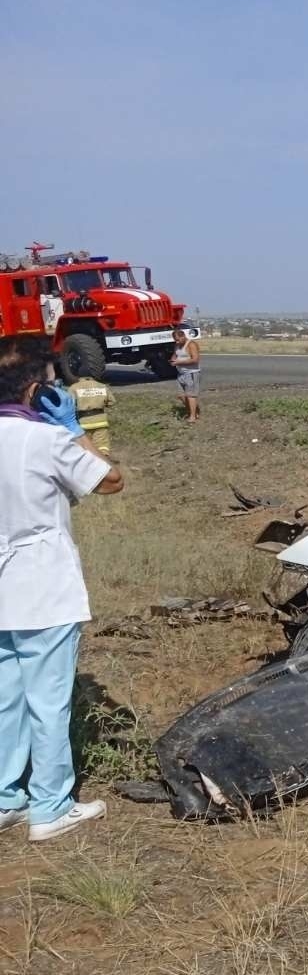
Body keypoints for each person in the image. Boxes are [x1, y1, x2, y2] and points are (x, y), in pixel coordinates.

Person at [0, 337, 124, 842]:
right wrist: (75, 431)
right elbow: (110, 481)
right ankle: (50, 807)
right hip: (43, 588)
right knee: (48, 702)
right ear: (35, 389)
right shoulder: (46, 441)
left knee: (4, 700)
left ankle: (6, 797)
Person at [68, 374, 114, 457]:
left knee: (86, 448)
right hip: (101, 422)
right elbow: (111, 402)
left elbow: (69, 405)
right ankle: (104, 464)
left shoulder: (74, 387)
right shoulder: (102, 386)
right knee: (102, 446)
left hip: (83, 423)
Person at [170, 326, 201, 421]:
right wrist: (173, 360)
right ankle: (192, 411)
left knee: (190, 395)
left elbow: (195, 360)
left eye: (178, 340)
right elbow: (175, 355)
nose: (177, 342)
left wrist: (179, 362)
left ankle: (192, 416)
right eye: (175, 340)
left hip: (191, 373)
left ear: (183, 336)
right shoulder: (177, 345)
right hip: (181, 373)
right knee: (181, 395)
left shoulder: (191, 344)